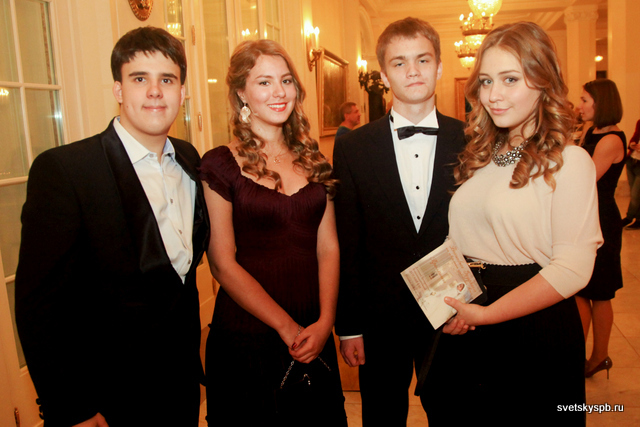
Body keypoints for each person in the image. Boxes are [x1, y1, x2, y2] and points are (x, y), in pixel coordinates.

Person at [15, 27, 209, 426]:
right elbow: (39, 306)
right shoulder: (67, 171)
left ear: (182, 92)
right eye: (139, 79)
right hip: (104, 400)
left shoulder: (190, 160)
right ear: (119, 89)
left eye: (167, 80)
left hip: (180, 389)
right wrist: (72, 408)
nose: (154, 92)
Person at [424, 22, 602, 426]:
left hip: (533, 327)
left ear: (543, 81)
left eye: (510, 79)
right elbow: (459, 239)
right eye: (486, 81)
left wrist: (485, 315)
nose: (493, 95)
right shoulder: (482, 155)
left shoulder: (570, 162)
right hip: (469, 319)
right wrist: (450, 305)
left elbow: (574, 269)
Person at [199, 39, 346, 427]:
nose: (279, 92)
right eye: (264, 82)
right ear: (241, 93)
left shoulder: (314, 159)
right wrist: (286, 327)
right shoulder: (220, 164)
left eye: (286, 80)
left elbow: (328, 247)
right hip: (248, 333)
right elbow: (222, 263)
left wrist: (325, 322)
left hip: (313, 330)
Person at [333, 17, 466, 426]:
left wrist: (476, 307)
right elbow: (348, 239)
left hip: (453, 311)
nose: (413, 71)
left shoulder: (474, 140)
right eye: (399, 62)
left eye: (423, 60)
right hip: (379, 317)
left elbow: (488, 229)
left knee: (455, 414)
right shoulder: (353, 147)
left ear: (439, 67)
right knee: (382, 417)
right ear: (384, 75)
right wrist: (349, 326)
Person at [575, 78, 626, 379]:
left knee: (600, 293)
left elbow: (585, 178)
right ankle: (576, 354)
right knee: (581, 290)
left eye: (584, 100)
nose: (579, 106)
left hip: (603, 219)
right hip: (587, 214)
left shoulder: (611, 140)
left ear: (601, 102)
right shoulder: (591, 131)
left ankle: (599, 356)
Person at [622, 119, 640, 228]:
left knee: (635, 195)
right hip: (632, 161)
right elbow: (635, 136)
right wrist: (632, 144)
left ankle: (628, 217)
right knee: (636, 194)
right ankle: (638, 220)